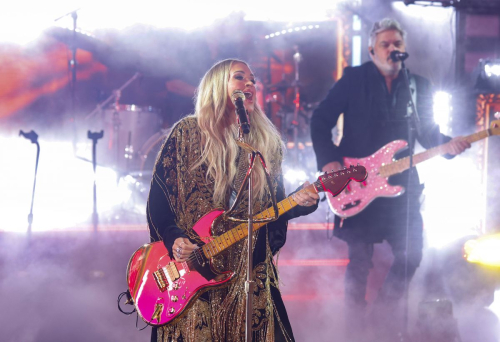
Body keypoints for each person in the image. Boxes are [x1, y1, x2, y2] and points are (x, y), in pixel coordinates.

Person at [310, 18, 471, 341]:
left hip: (402, 185)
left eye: (397, 44)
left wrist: (450, 145)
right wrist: (329, 163)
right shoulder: (353, 79)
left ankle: (380, 317)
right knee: (359, 261)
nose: (392, 49)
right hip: (357, 181)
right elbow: (320, 119)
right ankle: (354, 329)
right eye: (385, 44)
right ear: (372, 50)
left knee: (412, 254)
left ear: (404, 49)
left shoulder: (418, 86)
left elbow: (427, 133)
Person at [147, 58, 319, 342]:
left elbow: (272, 210)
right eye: (239, 77)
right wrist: (173, 238)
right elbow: (160, 200)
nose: (250, 84)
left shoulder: (266, 143)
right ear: (217, 86)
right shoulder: (185, 134)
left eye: (253, 79)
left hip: (247, 274)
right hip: (192, 273)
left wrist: (299, 205)